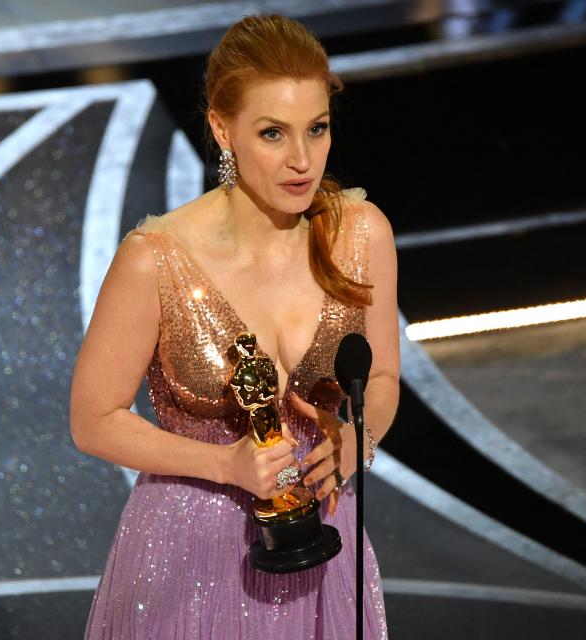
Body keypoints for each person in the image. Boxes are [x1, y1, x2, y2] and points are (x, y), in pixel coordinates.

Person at [70, 13, 399, 639]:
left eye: (317, 129)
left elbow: (380, 376)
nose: (302, 160)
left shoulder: (362, 234)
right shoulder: (155, 258)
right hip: (187, 547)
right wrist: (226, 465)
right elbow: (93, 419)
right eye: (273, 133)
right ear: (223, 129)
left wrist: (359, 438)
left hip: (324, 539)